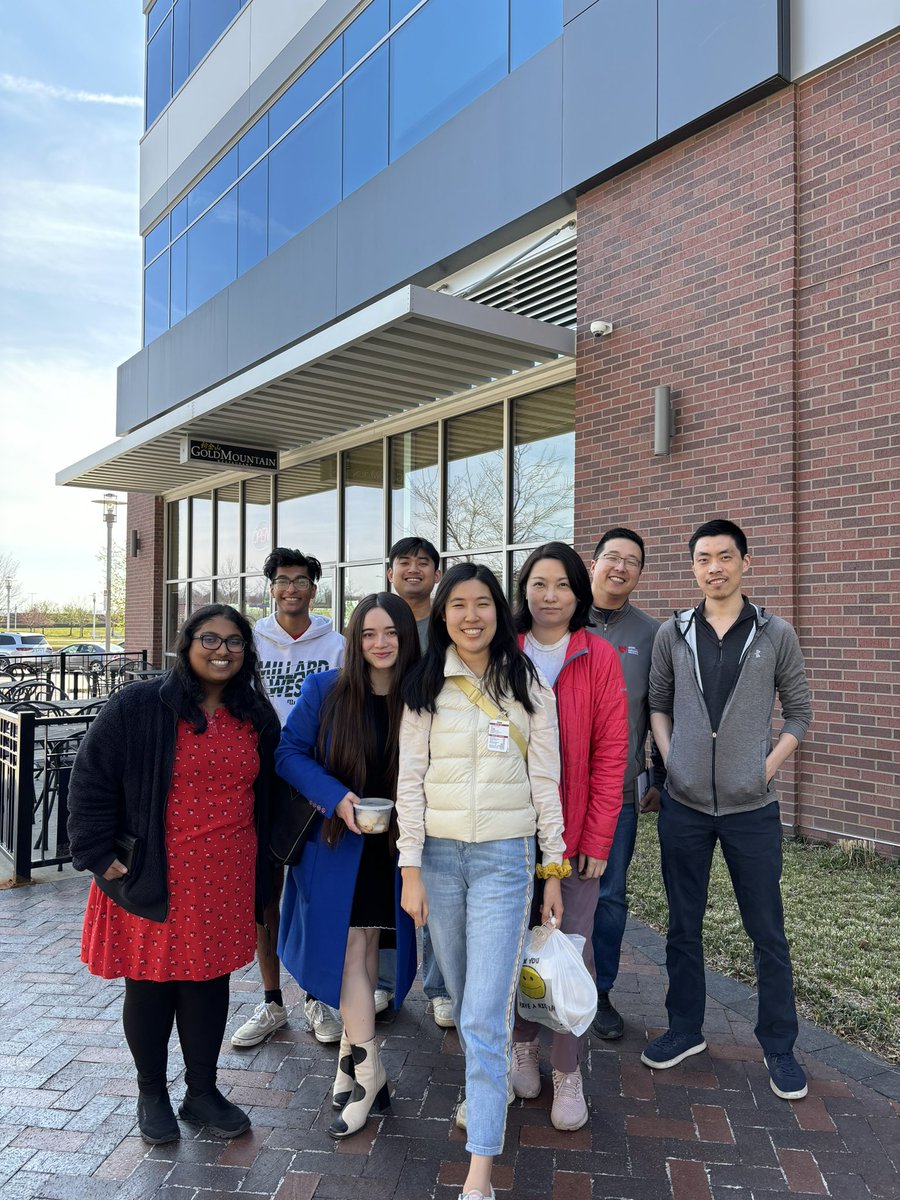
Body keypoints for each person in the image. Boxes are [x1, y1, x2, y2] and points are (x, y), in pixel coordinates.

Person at [67, 604, 280, 1145]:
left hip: (227, 874)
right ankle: (152, 1092)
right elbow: (92, 776)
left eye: (234, 642)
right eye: (210, 639)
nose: (222, 650)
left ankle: (202, 1092)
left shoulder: (255, 715)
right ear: (186, 644)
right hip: (154, 871)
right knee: (151, 985)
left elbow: (271, 794)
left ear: (246, 653)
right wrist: (93, 849)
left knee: (209, 985)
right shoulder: (141, 705)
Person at [397, 563, 565, 1200]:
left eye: (483, 604)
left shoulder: (528, 684)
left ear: (500, 611)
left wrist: (553, 866)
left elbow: (546, 781)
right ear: (443, 617)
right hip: (438, 860)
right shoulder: (423, 687)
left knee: (488, 1014)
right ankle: (479, 1087)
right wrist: (410, 867)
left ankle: (479, 1176)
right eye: (458, 606)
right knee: (468, 1000)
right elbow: (408, 784)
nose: (472, 616)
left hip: (504, 860)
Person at [647, 519, 812, 1101]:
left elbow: (799, 712)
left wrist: (763, 768)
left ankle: (780, 1046)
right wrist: (673, 763)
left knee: (767, 931)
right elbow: (658, 706)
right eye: (702, 559)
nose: (713, 567)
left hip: (753, 810)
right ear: (692, 567)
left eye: (723, 556)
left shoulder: (775, 634)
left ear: (745, 562)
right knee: (682, 925)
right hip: (685, 806)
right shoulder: (675, 632)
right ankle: (685, 1029)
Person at [275, 593, 419, 1138]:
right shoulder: (326, 691)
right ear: (355, 640)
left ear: (407, 639)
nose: (381, 644)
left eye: (392, 634)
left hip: (394, 849)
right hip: (337, 846)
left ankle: (359, 1073)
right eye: (369, 634)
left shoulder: (422, 698)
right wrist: (336, 797)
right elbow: (289, 753)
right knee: (347, 954)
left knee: (359, 950)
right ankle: (367, 1074)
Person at [510, 543, 629, 1130]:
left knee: (570, 951)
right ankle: (520, 1043)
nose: (550, 595)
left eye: (561, 585)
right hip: (506, 832)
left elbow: (611, 755)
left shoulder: (598, 655)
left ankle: (567, 1070)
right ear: (523, 589)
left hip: (579, 834)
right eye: (538, 583)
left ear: (579, 594)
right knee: (513, 949)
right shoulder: (502, 652)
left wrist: (598, 839)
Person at [231, 548, 345, 1050]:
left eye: (301, 580)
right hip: (261, 781)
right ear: (270, 587)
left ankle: (317, 996)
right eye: (282, 580)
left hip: (318, 779)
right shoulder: (251, 643)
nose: (291, 589)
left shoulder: (338, 644)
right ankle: (272, 999)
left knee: (315, 892)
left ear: (314, 590)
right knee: (266, 896)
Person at [588, 527, 664, 1039]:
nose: (620, 567)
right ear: (592, 562)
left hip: (619, 791)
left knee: (610, 896)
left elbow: (659, 706)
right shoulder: (559, 618)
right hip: (551, 789)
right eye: (611, 557)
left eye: (631, 561)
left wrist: (656, 771)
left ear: (639, 573)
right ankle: (536, 989)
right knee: (538, 891)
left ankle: (601, 992)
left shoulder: (651, 634)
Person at [384, 535, 453, 1029]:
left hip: (436, 773)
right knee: (384, 881)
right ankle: (385, 983)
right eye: (404, 561)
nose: (413, 569)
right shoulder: (379, 623)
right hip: (379, 769)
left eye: (422, 562)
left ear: (436, 572)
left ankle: (439, 986)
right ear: (390, 571)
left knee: (430, 877)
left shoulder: (447, 628)